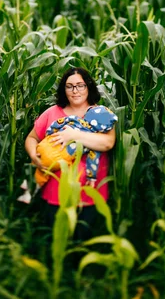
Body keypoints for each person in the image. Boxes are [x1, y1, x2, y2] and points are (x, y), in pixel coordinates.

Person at [25, 67, 116, 241]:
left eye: (80, 85)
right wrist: (33, 156)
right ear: (64, 90)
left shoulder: (101, 114)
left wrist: (74, 136)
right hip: (55, 193)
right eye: (70, 86)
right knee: (56, 242)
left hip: (89, 194)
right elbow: (31, 138)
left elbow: (107, 143)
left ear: (88, 87)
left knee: (82, 243)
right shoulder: (52, 113)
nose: (75, 91)